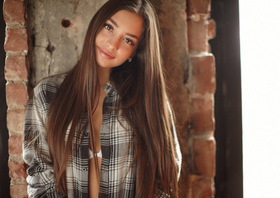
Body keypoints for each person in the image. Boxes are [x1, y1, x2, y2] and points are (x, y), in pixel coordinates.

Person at [23, 0, 182, 197]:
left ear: (135, 52)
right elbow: (40, 175)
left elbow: (166, 177)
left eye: (128, 40)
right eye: (109, 27)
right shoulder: (47, 94)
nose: (112, 44)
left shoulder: (149, 101)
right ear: (96, 24)